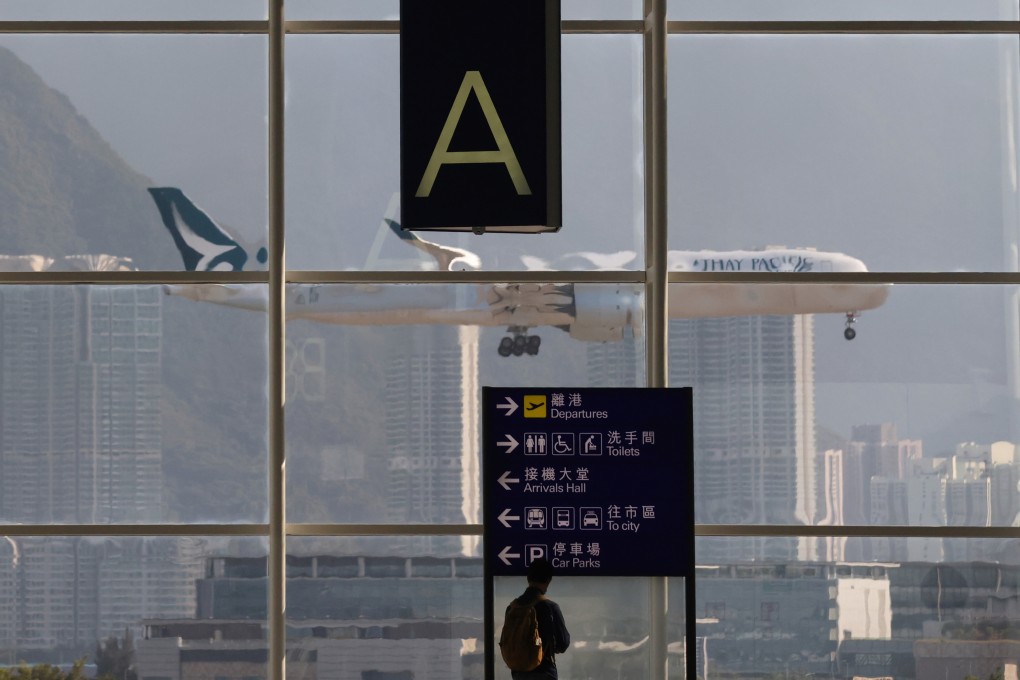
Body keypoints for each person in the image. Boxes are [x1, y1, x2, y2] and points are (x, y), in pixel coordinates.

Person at [509, 557, 570, 679]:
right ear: (548, 580)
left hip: (518, 673)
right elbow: (563, 643)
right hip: (544, 671)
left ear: (528, 578)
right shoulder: (550, 607)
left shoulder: (512, 607)